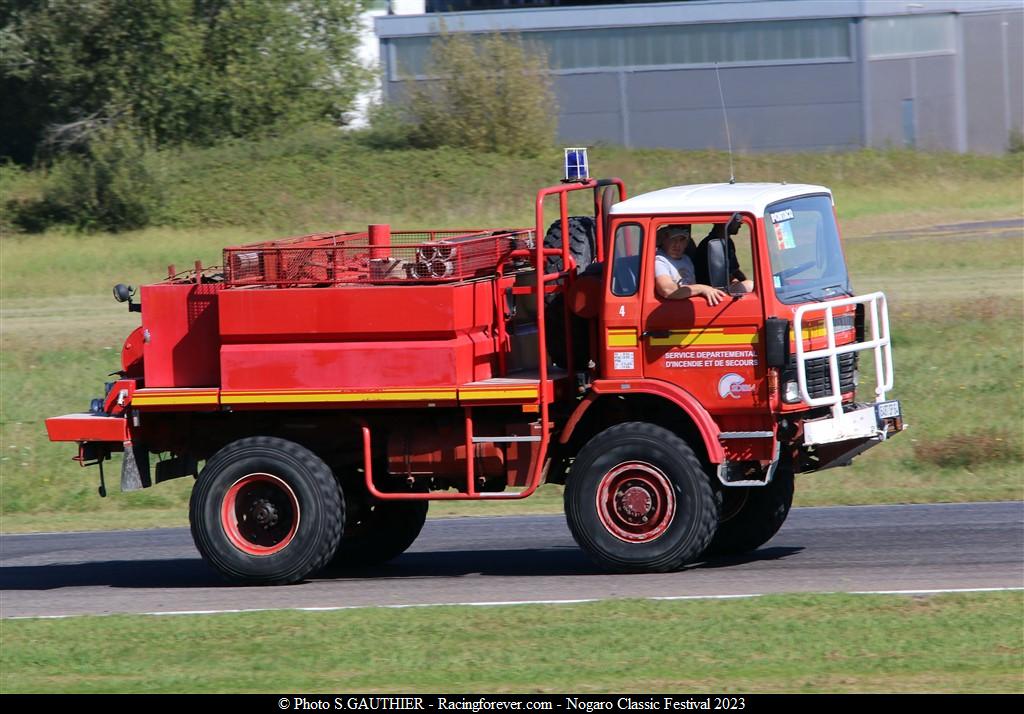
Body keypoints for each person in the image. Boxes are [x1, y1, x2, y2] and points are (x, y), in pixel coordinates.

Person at [654, 225, 728, 306]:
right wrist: (701, 288)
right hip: (671, 308)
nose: (677, 244)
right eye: (673, 239)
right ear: (663, 241)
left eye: (682, 240)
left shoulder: (686, 259)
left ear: (686, 243)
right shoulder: (659, 260)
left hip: (688, 305)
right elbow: (667, 290)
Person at [694, 224, 754, 294]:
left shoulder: (728, 242)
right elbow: (720, 275)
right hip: (713, 291)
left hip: (725, 286)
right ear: (724, 223)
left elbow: (735, 270)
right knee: (750, 285)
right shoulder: (711, 244)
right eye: (735, 221)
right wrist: (739, 283)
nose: (740, 224)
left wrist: (743, 281)